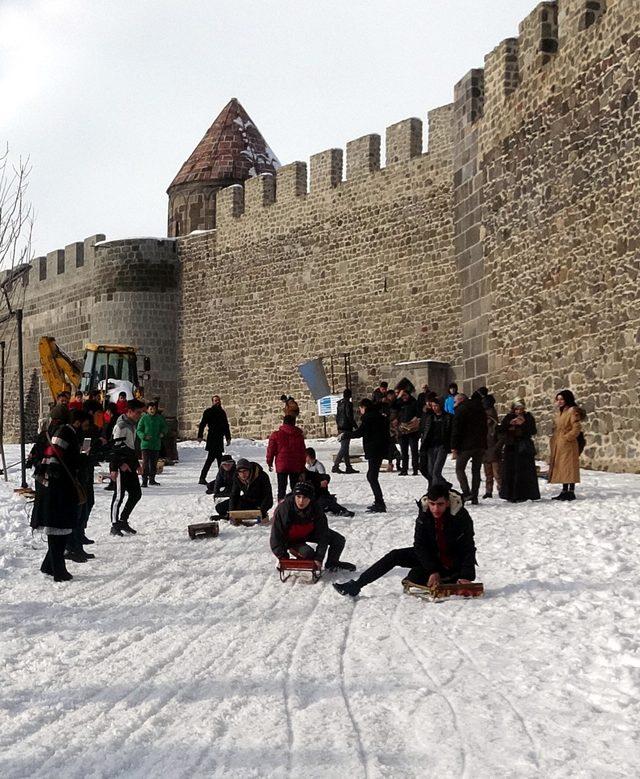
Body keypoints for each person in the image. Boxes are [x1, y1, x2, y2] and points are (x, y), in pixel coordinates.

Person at [333, 485, 476, 597]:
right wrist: (432, 569)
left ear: (448, 503)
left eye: (440, 504)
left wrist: (465, 576)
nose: (435, 508)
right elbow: (419, 545)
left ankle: (450, 578)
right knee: (395, 556)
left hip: (452, 560)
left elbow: (468, 547)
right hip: (432, 556)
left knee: (415, 578)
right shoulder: (425, 513)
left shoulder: (460, 516)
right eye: (432, 504)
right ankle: (356, 586)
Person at [30, 404, 80, 582]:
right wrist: (83, 459)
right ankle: (58, 570)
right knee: (60, 527)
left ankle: (49, 565)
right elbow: (55, 458)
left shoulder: (46, 432)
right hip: (58, 486)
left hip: (46, 485)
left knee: (58, 528)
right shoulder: (64, 431)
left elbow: (35, 457)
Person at [270, 482, 355, 571]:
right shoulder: (284, 509)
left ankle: (332, 563)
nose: (301, 501)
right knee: (308, 553)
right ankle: (298, 554)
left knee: (338, 540)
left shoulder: (316, 507)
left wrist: (319, 558)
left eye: (305, 497)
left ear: (310, 498)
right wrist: (282, 557)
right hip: (292, 539)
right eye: (298, 497)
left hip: (309, 532)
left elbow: (323, 533)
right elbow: (276, 536)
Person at [65, 409, 97, 563]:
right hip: (76, 479)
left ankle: (77, 543)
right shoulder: (70, 434)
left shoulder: (83, 434)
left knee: (84, 508)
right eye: (85, 424)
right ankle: (73, 547)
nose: (87, 426)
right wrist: (84, 456)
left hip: (84, 477)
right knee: (77, 514)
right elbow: (75, 458)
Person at [109, 399, 146, 536]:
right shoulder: (121, 426)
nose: (139, 415)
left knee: (136, 493)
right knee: (119, 496)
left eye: (141, 413)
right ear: (129, 412)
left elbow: (130, 448)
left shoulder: (132, 425)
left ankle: (123, 520)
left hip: (130, 464)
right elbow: (114, 448)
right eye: (137, 413)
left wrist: (136, 464)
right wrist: (116, 466)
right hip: (120, 465)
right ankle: (114, 524)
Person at [347, 398, 390, 512]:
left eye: (360, 408)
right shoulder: (379, 416)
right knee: (372, 475)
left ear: (364, 407)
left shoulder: (368, 417)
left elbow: (360, 432)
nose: (360, 410)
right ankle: (379, 501)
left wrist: (346, 435)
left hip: (374, 449)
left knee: (372, 476)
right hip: (380, 449)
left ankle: (380, 503)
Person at [548, 389, 587, 501]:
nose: (559, 401)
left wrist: (567, 438)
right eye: (558, 399)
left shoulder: (572, 411)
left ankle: (571, 491)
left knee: (569, 467)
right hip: (559, 443)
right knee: (563, 467)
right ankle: (564, 491)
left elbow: (576, 427)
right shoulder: (561, 411)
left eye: (562, 399)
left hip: (568, 444)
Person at [499, 400, 540, 502]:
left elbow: (533, 430)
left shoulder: (528, 417)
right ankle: (510, 494)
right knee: (511, 471)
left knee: (523, 472)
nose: (519, 411)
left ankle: (524, 494)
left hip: (523, 448)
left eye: (521, 409)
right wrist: (510, 425)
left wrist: (523, 424)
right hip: (511, 448)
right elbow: (500, 430)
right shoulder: (508, 417)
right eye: (517, 409)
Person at [451, 390, 487, 505]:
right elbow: (485, 427)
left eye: (455, 401)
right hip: (480, 444)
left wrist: (454, 446)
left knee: (459, 469)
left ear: (461, 400)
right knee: (476, 471)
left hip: (465, 445)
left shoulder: (461, 410)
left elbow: (456, 429)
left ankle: (466, 492)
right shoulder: (480, 408)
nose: (454, 404)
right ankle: (475, 496)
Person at [266, 415, 306, 501]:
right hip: (296, 465)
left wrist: (269, 462)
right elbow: (302, 452)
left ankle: (281, 506)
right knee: (295, 488)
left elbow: (271, 450)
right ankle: (295, 505)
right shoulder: (299, 435)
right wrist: (302, 467)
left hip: (282, 465)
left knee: (281, 488)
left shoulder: (276, 435)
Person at [419, 393, 452, 487]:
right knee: (430, 471)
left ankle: (435, 491)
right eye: (433, 406)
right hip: (430, 446)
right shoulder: (430, 416)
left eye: (436, 405)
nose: (434, 408)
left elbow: (450, 432)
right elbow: (423, 429)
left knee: (436, 471)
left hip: (442, 446)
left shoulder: (448, 417)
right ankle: (439, 487)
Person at [197, 395, 231, 485]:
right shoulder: (208, 412)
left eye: (218, 400)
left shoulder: (222, 412)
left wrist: (228, 437)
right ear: (212, 402)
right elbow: (202, 424)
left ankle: (222, 478)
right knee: (212, 459)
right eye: (215, 400)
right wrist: (200, 435)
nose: (217, 402)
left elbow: (225, 426)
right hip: (212, 438)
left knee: (219, 459)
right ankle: (203, 478)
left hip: (219, 438)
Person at [136, 401, 168, 487]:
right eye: (150, 409)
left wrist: (162, 433)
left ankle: (152, 479)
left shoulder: (159, 418)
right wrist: (143, 436)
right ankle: (144, 480)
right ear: (147, 410)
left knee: (153, 463)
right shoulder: (143, 418)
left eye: (154, 409)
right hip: (146, 445)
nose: (152, 410)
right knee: (145, 463)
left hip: (156, 444)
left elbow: (165, 427)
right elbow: (138, 430)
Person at [395, 384, 421, 476]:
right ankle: (404, 469)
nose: (404, 397)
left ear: (409, 395)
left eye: (405, 395)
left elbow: (419, 413)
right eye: (402, 396)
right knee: (404, 451)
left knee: (414, 450)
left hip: (413, 430)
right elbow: (393, 405)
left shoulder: (414, 402)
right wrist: (398, 396)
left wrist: (414, 420)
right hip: (402, 430)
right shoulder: (400, 403)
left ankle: (415, 468)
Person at [333, 388, 358, 474]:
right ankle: (335, 465)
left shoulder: (339, 403)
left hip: (340, 427)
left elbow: (337, 416)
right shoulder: (348, 404)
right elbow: (349, 416)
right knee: (344, 448)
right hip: (346, 427)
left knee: (345, 447)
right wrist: (355, 426)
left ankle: (348, 466)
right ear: (350, 396)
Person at [482, 394, 502, 499]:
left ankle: (501, 489)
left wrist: (496, 448)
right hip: (486, 449)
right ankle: (489, 491)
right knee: (488, 474)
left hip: (493, 449)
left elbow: (500, 437)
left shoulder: (493, 421)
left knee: (497, 473)